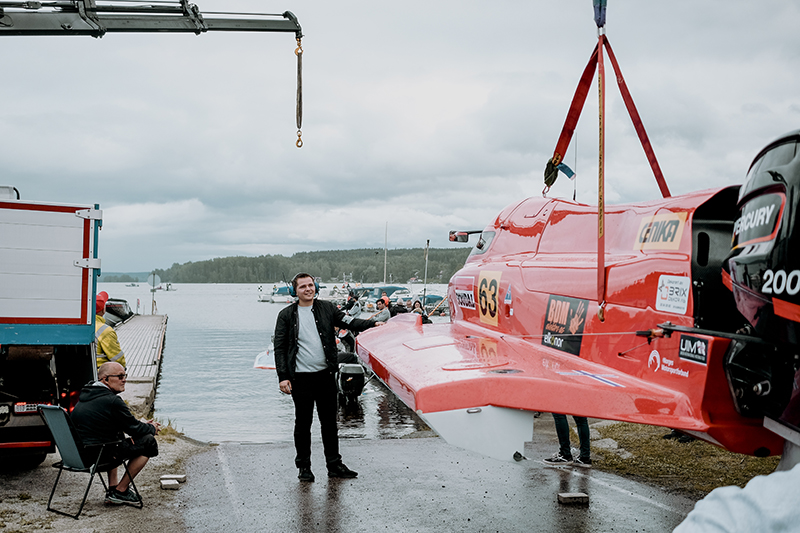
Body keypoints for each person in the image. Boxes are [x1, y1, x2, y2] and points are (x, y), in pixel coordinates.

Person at [274, 273, 384, 482]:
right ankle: (304, 467)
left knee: (330, 423)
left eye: (311, 285)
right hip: (300, 379)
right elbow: (279, 347)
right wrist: (283, 377)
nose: (308, 289)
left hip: (325, 376)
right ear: (294, 291)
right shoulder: (286, 315)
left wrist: (373, 325)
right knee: (303, 424)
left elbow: (350, 321)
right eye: (303, 287)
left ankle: (334, 464)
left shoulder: (327, 308)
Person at [71, 361, 160, 504]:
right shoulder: (112, 401)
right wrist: (152, 428)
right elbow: (134, 429)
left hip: (79, 455)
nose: (124, 379)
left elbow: (126, 423)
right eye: (120, 376)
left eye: (125, 375)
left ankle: (113, 487)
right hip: (97, 457)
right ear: (105, 379)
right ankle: (121, 490)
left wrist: (141, 425)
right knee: (148, 441)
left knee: (114, 433)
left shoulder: (87, 396)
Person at [94, 291, 126, 369]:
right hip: (102, 374)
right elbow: (118, 358)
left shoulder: (82, 327)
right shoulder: (105, 331)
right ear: (103, 310)